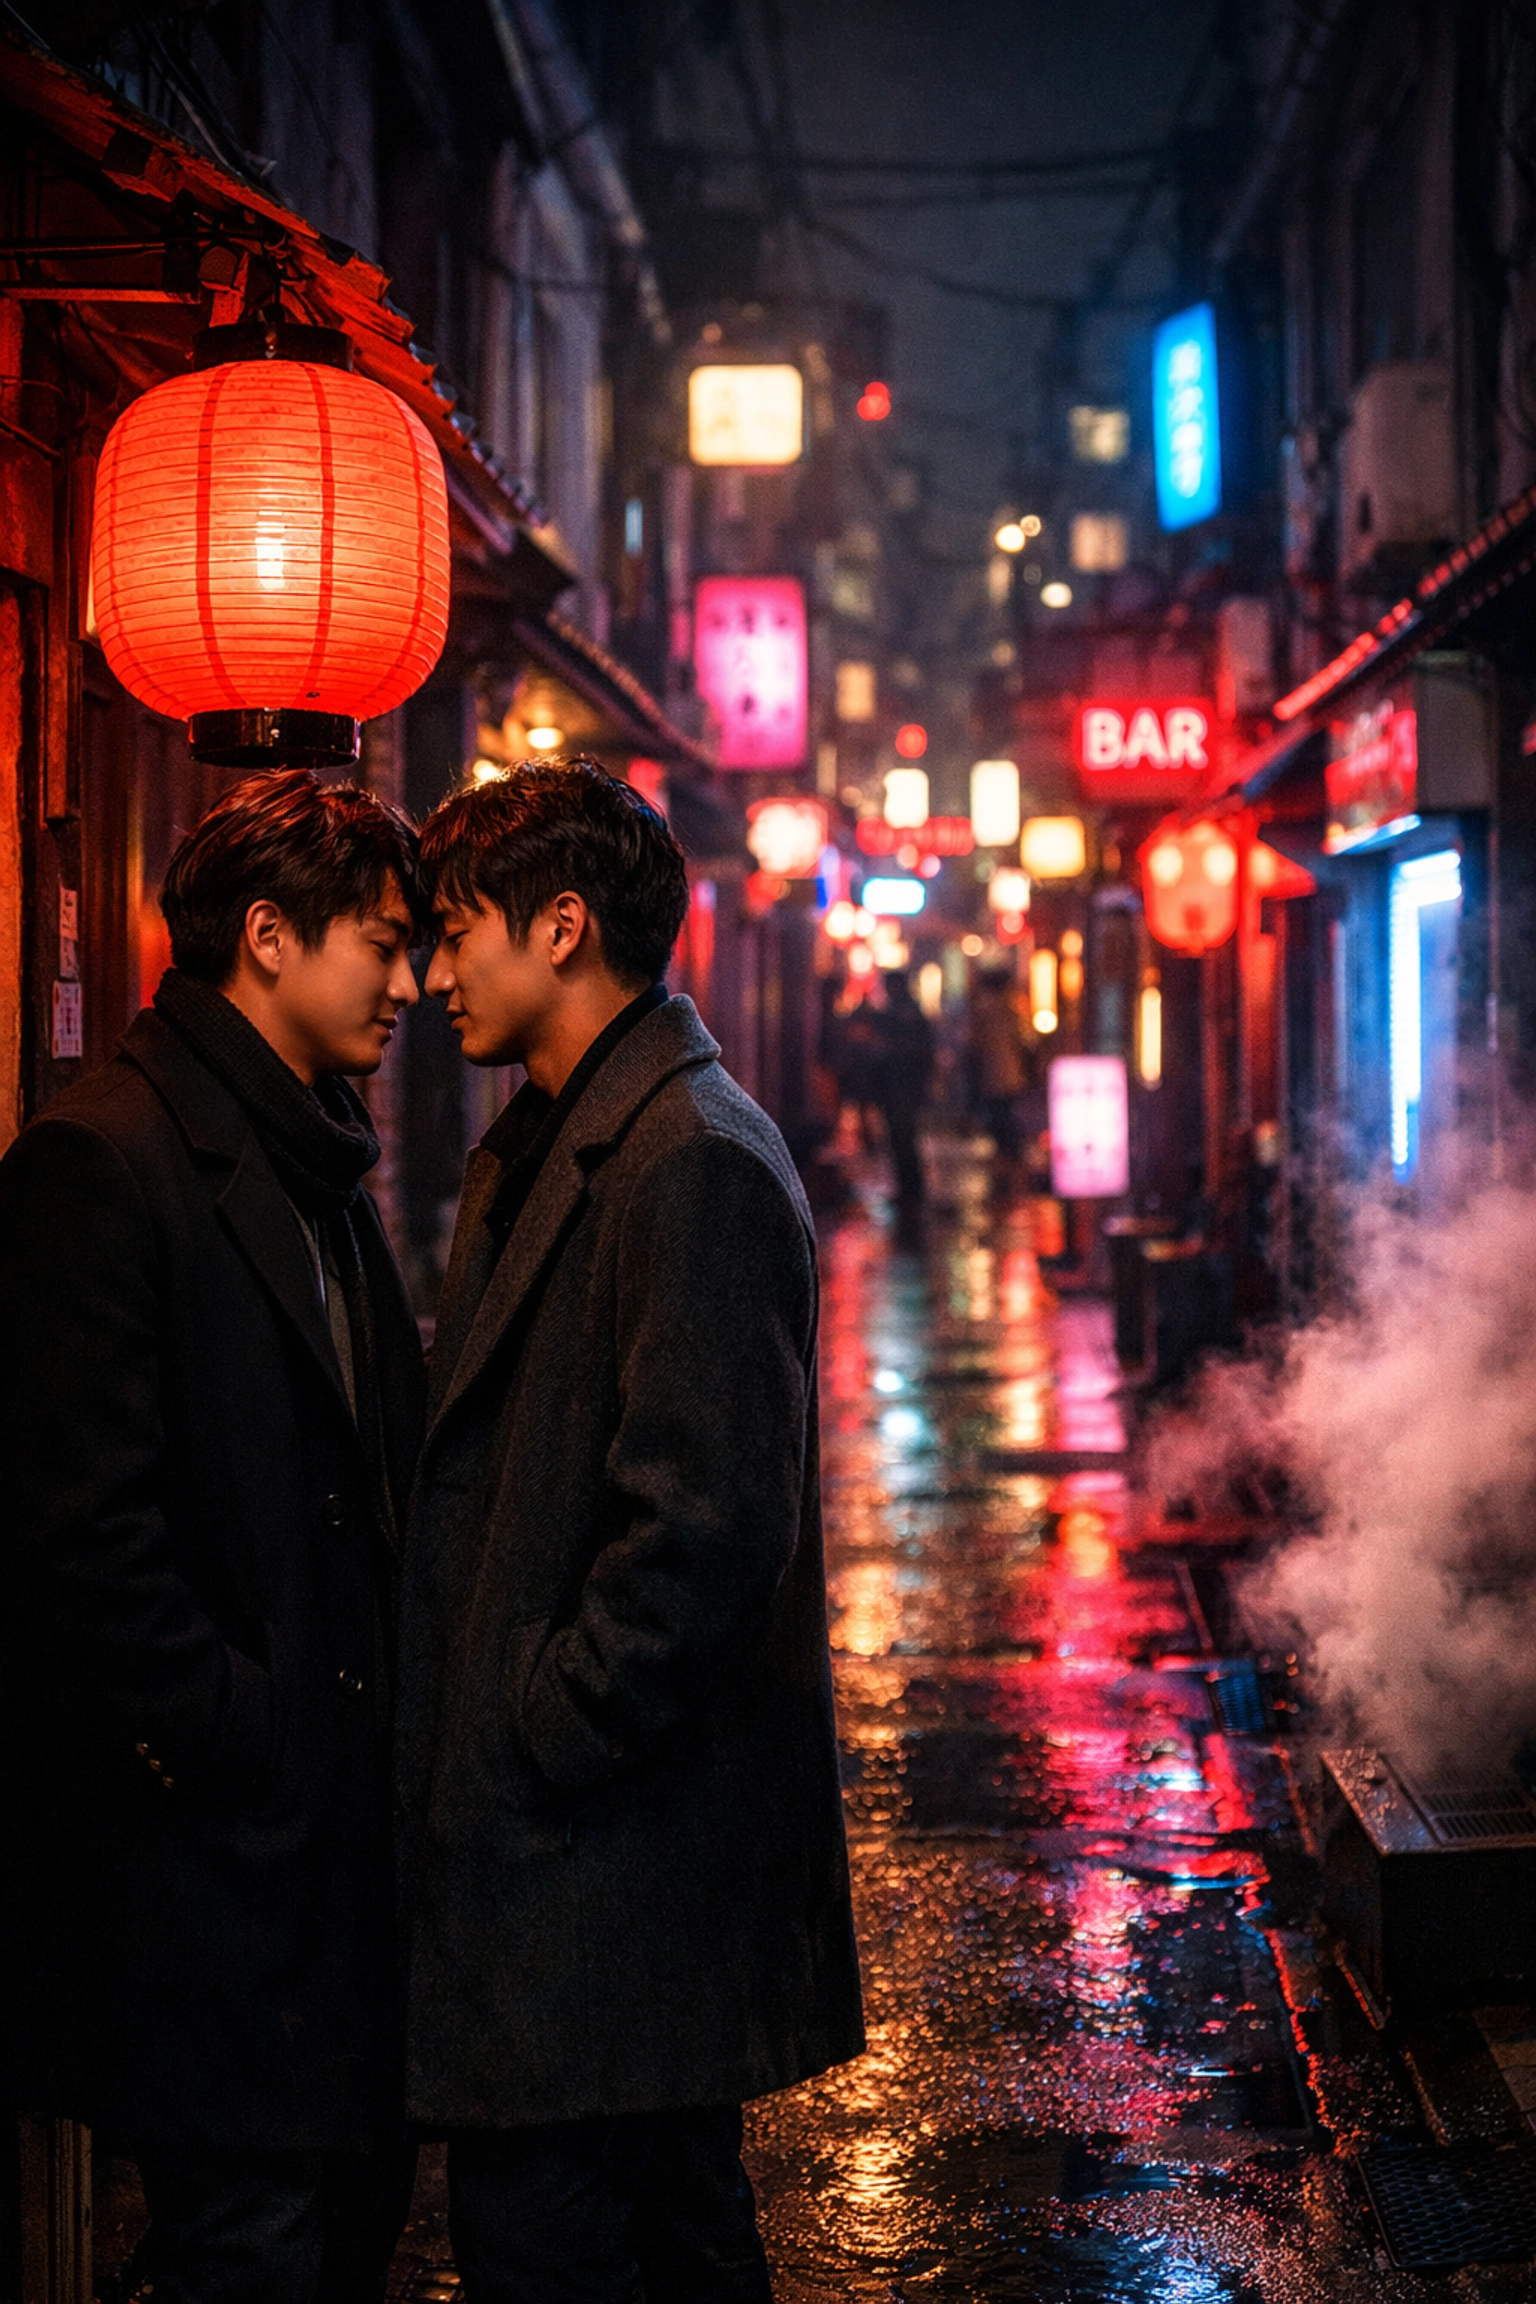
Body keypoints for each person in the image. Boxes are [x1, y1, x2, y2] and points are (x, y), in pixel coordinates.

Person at [399, 759, 864, 2301]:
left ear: (562, 928)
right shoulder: (571, 1136)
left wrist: (538, 1723)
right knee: (652, 2240)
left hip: (611, 1873)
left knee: (581, 2247)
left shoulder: (690, 1159)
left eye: (455, 929)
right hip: (586, 1876)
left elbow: (706, 1531)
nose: (433, 972)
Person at [0, 770, 428, 2304]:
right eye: (381, 941)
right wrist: (244, 1733)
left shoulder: (317, 1153)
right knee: (242, 2248)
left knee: (335, 2233)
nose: (408, 983)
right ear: (267, 936)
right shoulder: (106, 1160)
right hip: (214, 1869)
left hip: (329, 1861)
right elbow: (79, 1536)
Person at [874, 970, 935, 1206]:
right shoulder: (901, 1013)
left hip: (903, 1085)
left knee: (903, 1136)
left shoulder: (907, 1015)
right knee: (900, 1137)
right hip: (898, 1085)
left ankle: (911, 1187)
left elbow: (916, 1051)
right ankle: (908, 1186)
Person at [968, 965, 1028, 1163]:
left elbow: (976, 1042)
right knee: (1006, 1113)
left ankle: (1006, 1153)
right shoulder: (1011, 1007)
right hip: (1011, 1069)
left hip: (992, 1071)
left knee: (997, 1115)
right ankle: (1012, 1153)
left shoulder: (984, 1008)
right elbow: (1021, 1039)